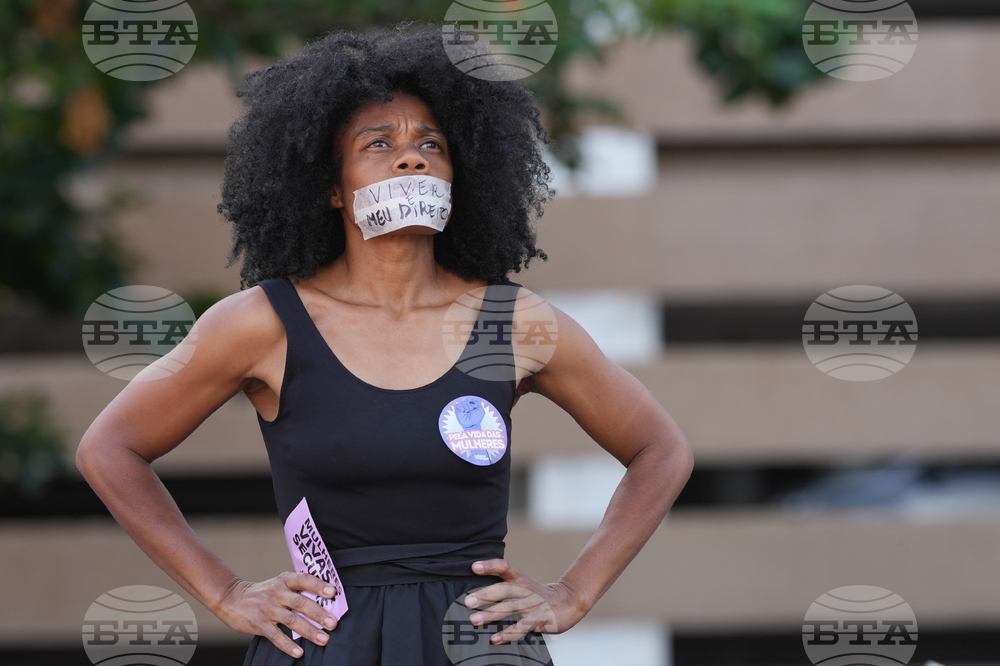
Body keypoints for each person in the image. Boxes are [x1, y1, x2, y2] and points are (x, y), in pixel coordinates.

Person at [75, 22, 694, 666]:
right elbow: (110, 449)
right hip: (326, 642)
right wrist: (227, 592)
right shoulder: (263, 322)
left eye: (432, 143)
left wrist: (573, 592)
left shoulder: (511, 321)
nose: (412, 156)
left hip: (481, 644)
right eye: (379, 144)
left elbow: (661, 449)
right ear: (332, 189)